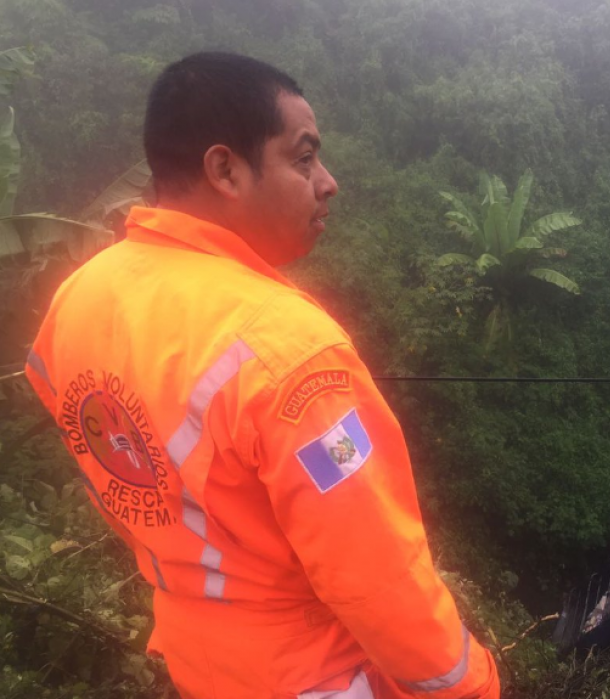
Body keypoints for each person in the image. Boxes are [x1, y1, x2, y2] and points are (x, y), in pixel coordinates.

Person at [24, 52, 500, 699]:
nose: (328, 181)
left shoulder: (79, 297)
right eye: (303, 158)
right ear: (225, 168)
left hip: (202, 665)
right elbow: (376, 575)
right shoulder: (289, 353)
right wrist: (469, 685)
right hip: (317, 677)